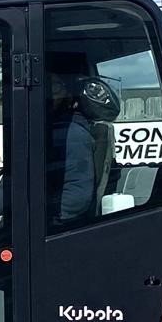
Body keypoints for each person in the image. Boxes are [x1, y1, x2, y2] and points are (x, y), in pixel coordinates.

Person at [49, 62, 97, 226]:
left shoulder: (72, 133)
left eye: (54, 87)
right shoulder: (49, 130)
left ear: (68, 93)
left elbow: (78, 193)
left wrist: (48, 218)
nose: (47, 93)